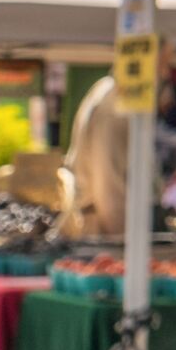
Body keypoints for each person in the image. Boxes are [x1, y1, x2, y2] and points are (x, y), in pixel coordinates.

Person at [62, 74, 128, 239]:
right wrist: (123, 243)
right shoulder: (114, 101)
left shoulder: (107, 89)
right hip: (101, 228)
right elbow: (108, 184)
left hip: (96, 220)